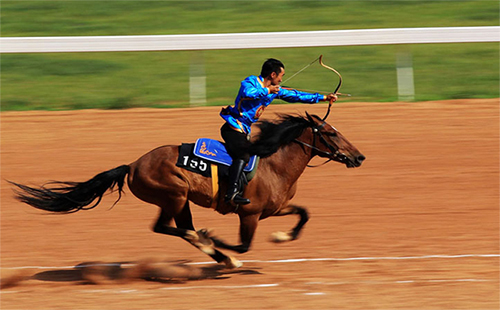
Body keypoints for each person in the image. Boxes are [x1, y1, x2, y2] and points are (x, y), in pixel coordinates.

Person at [220, 58, 338, 206]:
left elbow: (297, 95)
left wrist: (324, 97)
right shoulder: (250, 82)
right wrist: (268, 90)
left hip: (245, 130)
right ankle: (232, 193)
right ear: (273, 75)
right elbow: (248, 93)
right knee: (243, 154)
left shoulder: (275, 90)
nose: (282, 79)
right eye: (281, 75)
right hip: (233, 127)